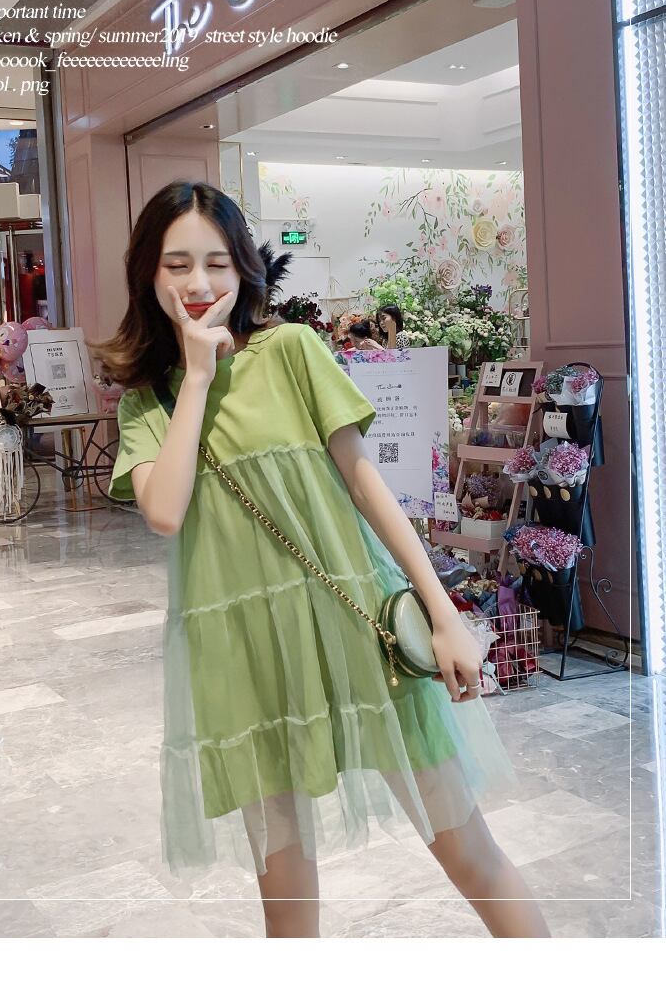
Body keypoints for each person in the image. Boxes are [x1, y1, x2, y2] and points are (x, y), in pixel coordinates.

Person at [99, 181, 549, 939]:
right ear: (148, 274)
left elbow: (365, 483)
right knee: (286, 904)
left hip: (357, 622)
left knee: (467, 849)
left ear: (244, 268)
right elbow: (165, 511)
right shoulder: (149, 402)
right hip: (242, 652)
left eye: (216, 262)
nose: (199, 283)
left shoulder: (292, 351)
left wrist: (442, 612)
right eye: (177, 265)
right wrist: (198, 376)